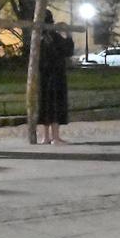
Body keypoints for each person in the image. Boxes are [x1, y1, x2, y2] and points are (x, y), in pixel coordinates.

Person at [37, 10, 75, 145]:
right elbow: (68, 51)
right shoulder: (55, 38)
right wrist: (68, 34)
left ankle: (45, 136)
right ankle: (55, 137)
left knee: (45, 104)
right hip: (56, 75)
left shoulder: (38, 39)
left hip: (42, 76)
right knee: (55, 104)